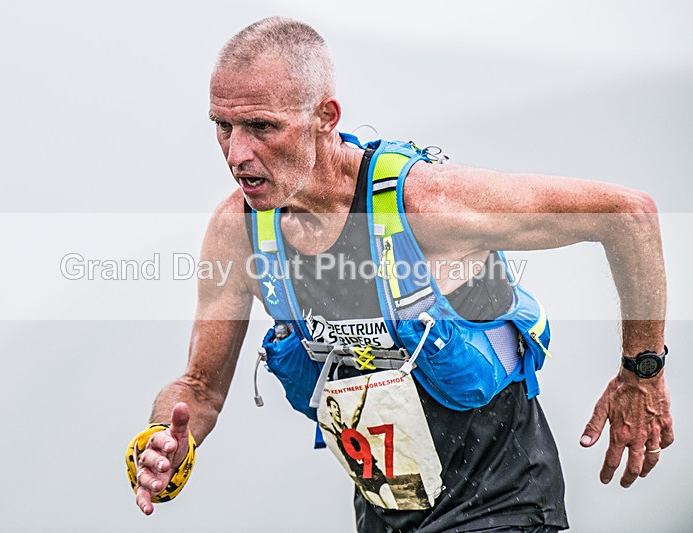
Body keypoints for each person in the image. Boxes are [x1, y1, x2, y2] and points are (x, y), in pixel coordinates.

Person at [127, 17, 674, 532]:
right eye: (222, 127)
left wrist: (642, 371)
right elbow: (199, 388)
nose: (236, 153)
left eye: (261, 127)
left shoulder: (427, 205)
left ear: (325, 117)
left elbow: (628, 214)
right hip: (386, 517)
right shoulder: (241, 231)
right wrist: (164, 439)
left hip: (504, 504)